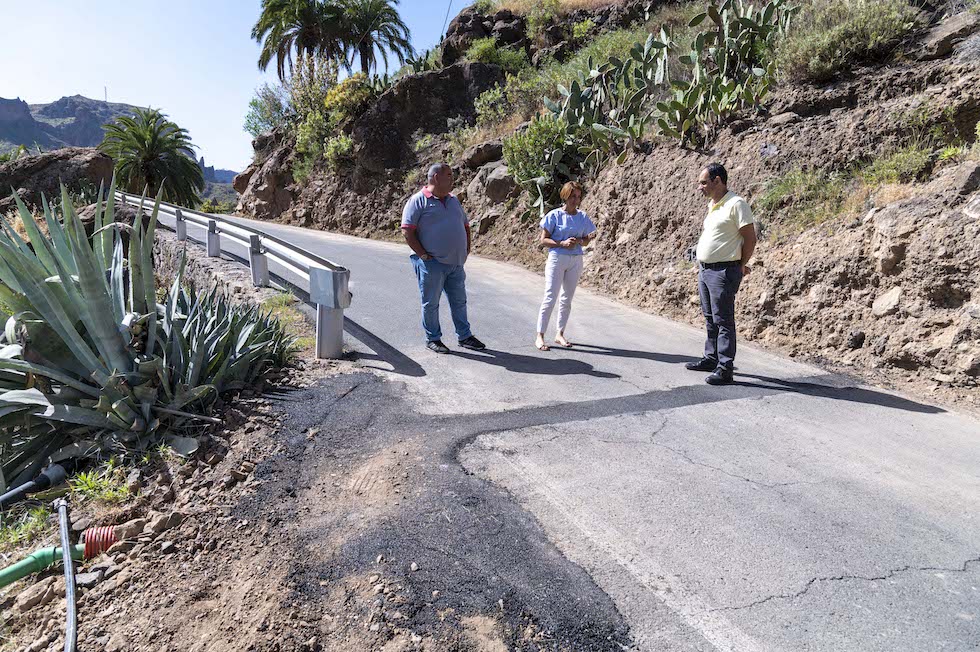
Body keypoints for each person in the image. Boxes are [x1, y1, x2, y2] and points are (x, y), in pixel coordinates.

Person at [401, 163, 486, 354]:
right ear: (436, 178)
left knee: (459, 301)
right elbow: (407, 230)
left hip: (456, 263)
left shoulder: (453, 200)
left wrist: (466, 249)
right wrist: (423, 255)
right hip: (433, 264)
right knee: (431, 303)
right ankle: (433, 338)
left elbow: (465, 226)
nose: (453, 179)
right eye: (449, 175)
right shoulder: (417, 201)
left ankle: (464, 336)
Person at [685, 163, 757, 385]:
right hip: (706, 270)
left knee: (724, 320)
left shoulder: (736, 204)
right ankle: (711, 357)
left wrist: (740, 264)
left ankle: (725, 368)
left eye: (704, 182)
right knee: (710, 318)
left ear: (718, 181)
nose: (700, 187)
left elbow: (750, 238)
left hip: (724, 270)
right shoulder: (713, 205)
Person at [535, 181, 597, 351]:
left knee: (567, 299)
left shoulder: (583, 217)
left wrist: (579, 241)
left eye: (578, 197)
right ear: (565, 195)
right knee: (550, 297)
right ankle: (540, 336)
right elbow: (544, 240)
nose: (575, 200)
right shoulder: (554, 215)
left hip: (576, 260)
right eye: (572, 196)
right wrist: (561, 243)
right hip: (557, 258)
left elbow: (586, 240)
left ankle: (559, 333)